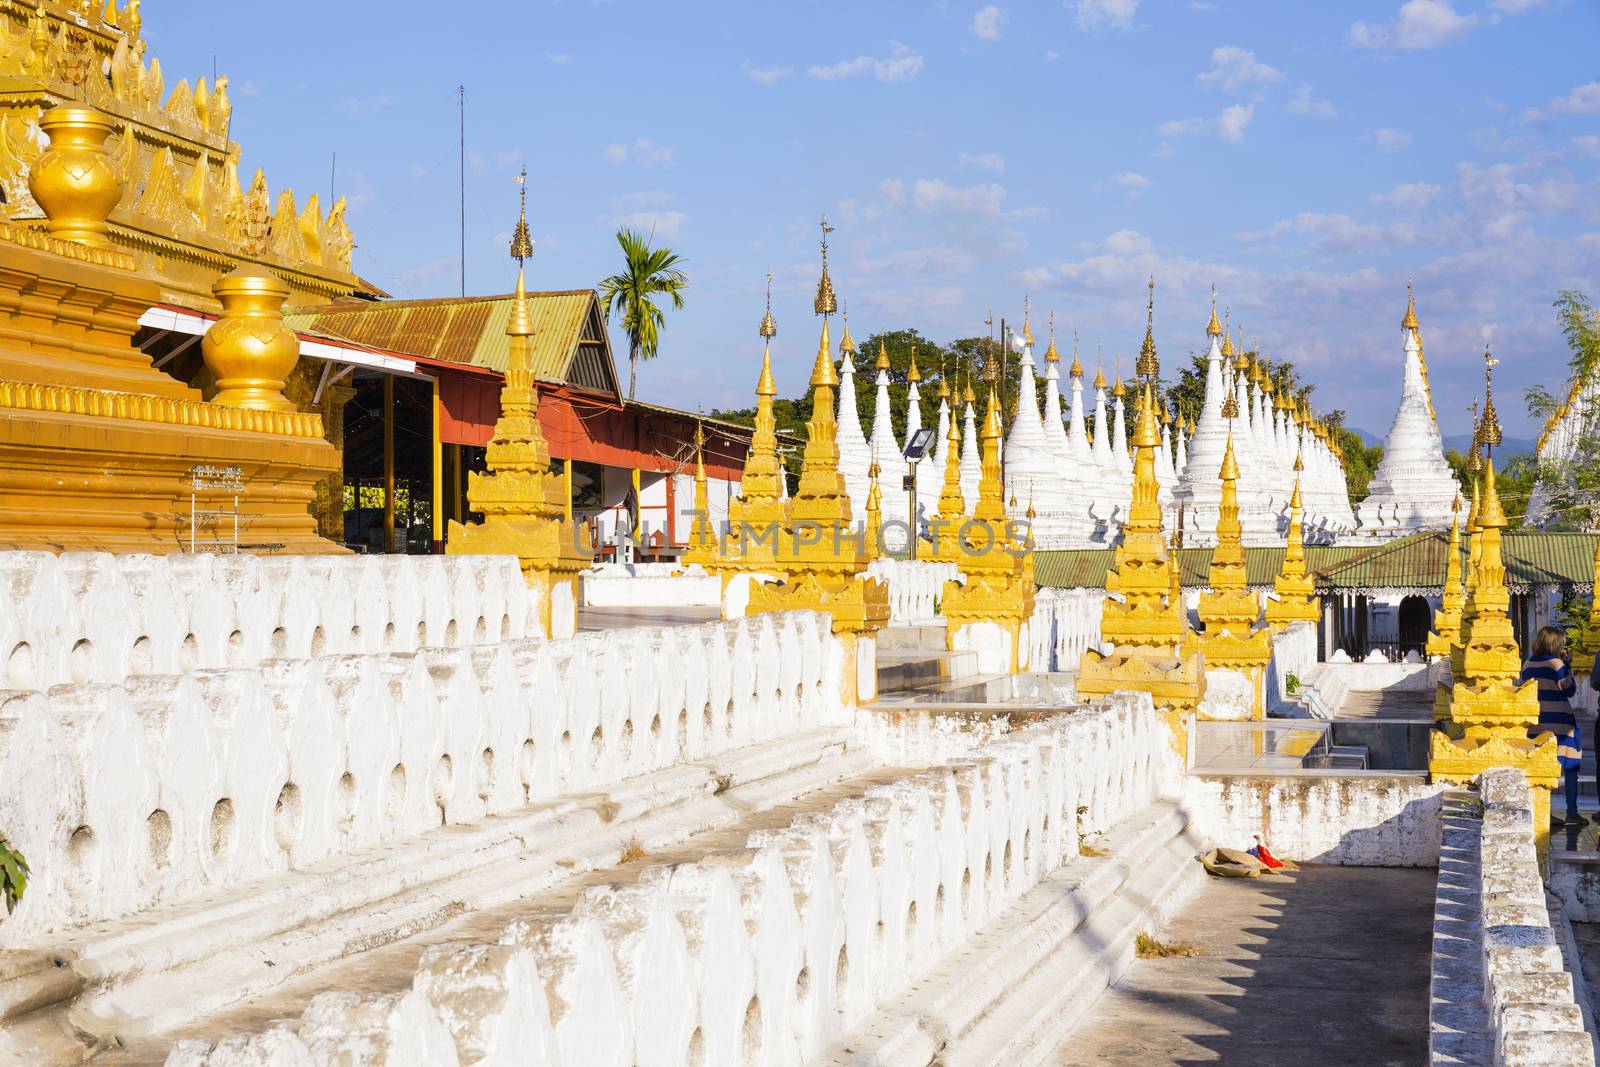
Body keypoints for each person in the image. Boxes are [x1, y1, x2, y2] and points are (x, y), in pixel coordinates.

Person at [1523, 626, 1584, 828]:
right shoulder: (1557, 663)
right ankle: (1572, 813)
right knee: (1571, 766)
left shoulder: (1528, 663)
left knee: (1542, 768)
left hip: (1536, 723)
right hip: (1560, 723)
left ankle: (1544, 812)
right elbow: (1569, 690)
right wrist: (1567, 665)